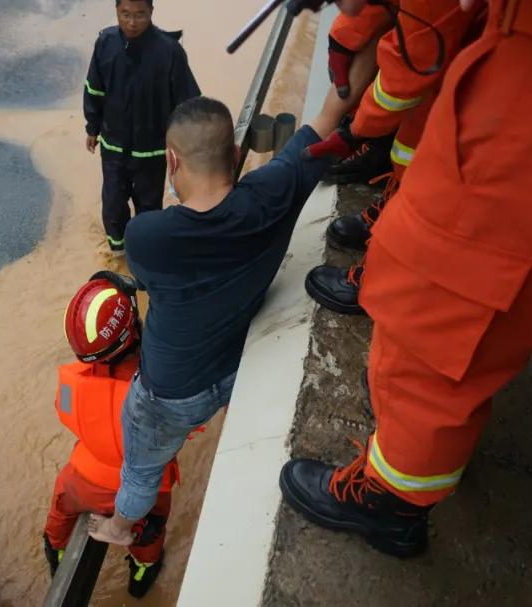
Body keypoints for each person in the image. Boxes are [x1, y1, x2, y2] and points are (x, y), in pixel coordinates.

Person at [280, 0, 532, 558]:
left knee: (439, 290)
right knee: (442, 214)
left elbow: (418, 44)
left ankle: (391, 501)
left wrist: (356, 128)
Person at [88, 95, 338, 546]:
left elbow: (146, 280)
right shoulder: (273, 193)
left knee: (141, 463)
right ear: (238, 155)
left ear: (171, 160)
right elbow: (326, 120)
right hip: (233, 370)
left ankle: (120, 527)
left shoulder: (147, 236)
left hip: (170, 395)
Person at [304, 0, 483, 315]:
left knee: (437, 167)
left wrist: (356, 130)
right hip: (463, 41)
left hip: (497, 63)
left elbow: (408, 71)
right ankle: (395, 192)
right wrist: (346, 34)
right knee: (418, 140)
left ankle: (384, 277)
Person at [43, 272, 176, 598]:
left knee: (59, 514)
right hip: (143, 490)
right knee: (150, 535)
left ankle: (56, 554)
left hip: (83, 481)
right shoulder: (157, 391)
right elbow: (190, 425)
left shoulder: (70, 383)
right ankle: (143, 572)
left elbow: (67, 416)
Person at [84, 0, 201, 256]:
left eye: (140, 15)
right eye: (125, 14)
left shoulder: (169, 51)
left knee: (149, 206)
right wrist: (92, 126)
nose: (132, 22)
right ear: (116, 11)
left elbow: (189, 103)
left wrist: (187, 146)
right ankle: (118, 254)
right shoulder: (105, 42)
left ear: (151, 13)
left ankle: (147, 255)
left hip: (152, 151)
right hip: (114, 146)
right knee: (113, 202)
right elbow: (94, 88)